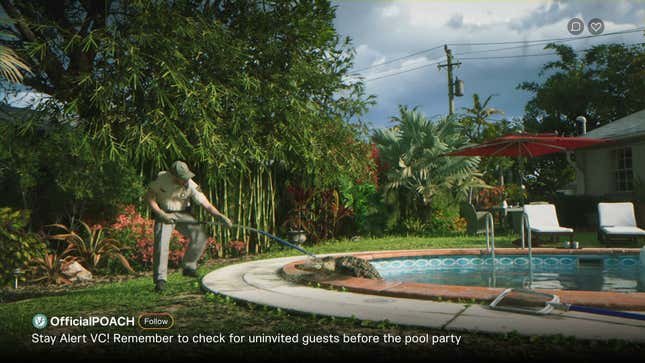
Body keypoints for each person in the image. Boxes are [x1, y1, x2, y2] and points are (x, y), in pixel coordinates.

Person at [145, 161, 233, 292]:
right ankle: (160, 280)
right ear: (173, 175)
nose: (185, 179)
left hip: (182, 213)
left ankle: (189, 267)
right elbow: (149, 197)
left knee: (199, 236)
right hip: (164, 213)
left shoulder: (191, 184)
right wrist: (161, 214)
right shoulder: (161, 178)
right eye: (182, 177)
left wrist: (220, 216)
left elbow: (206, 204)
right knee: (161, 244)